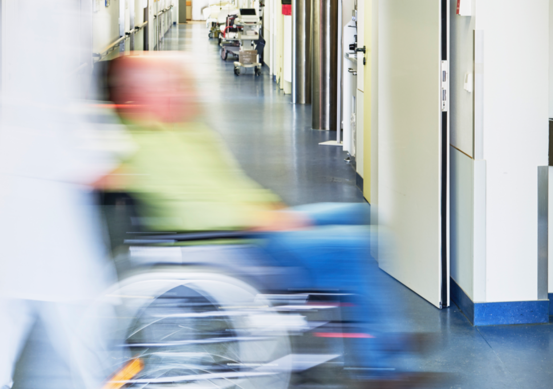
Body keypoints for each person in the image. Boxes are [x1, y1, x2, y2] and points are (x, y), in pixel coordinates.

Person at [99, 53, 424, 388]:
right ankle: (382, 365)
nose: (180, 91)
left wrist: (269, 208)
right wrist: (264, 218)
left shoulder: (183, 129)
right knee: (350, 247)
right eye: (168, 86)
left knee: (356, 214)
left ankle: (383, 331)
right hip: (230, 243)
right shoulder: (147, 144)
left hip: (252, 223)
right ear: (137, 96)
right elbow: (199, 209)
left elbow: (226, 185)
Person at [0, 0, 128, 388]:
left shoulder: (53, 3)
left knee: (3, 318)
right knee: (74, 311)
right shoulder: (37, 6)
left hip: (28, 192)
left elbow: (65, 101)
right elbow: (41, 105)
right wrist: (96, 160)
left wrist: (101, 147)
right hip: (33, 190)